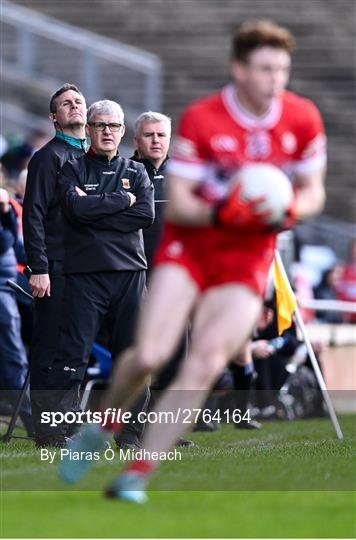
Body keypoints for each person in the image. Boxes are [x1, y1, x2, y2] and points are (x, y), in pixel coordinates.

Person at [60, 20, 326, 502]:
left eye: (282, 68)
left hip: (246, 261)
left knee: (202, 365)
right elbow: (179, 203)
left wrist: (287, 210)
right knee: (149, 354)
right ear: (239, 69)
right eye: (265, 68)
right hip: (190, 252)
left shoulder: (302, 119)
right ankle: (102, 429)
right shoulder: (205, 119)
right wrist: (228, 209)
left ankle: (135, 475)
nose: (275, 79)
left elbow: (312, 193)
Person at [50, 100, 154, 443]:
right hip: (85, 276)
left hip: (130, 275)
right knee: (72, 355)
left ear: (123, 131)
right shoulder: (72, 169)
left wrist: (94, 211)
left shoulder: (136, 172)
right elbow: (74, 211)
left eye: (113, 126)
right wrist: (121, 202)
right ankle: (63, 430)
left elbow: (145, 216)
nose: (106, 131)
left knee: (134, 357)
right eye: (99, 125)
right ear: (89, 130)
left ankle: (131, 434)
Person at [22, 83, 88, 446]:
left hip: (85, 268)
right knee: (51, 346)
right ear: (54, 117)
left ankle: (69, 420)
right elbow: (32, 215)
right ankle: (48, 430)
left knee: (75, 349)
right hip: (56, 266)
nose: (74, 106)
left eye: (79, 101)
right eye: (66, 103)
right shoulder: (48, 157)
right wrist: (39, 267)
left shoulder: (91, 155)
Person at [0, 187, 34, 436]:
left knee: (17, 355)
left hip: (8, 286)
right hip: (3, 289)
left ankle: (32, 419)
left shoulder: (11, 205)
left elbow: (19, 248)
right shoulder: (8, 206)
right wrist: (5, 213)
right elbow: (5, 243)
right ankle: (31, 421)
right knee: (14, 357)